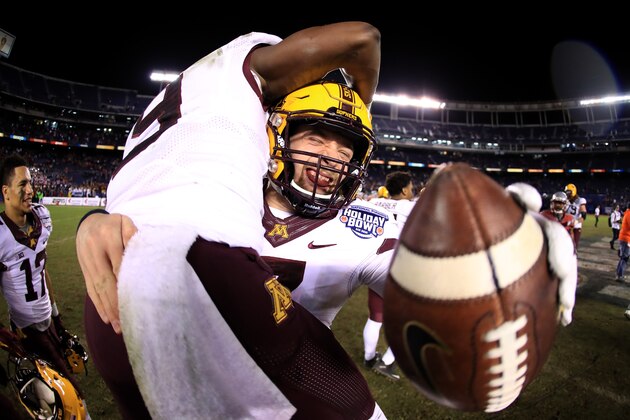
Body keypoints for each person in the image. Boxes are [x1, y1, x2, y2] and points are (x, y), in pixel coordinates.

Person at [75, 22, 385, 420]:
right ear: (276, 130)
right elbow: (363, 38)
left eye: (346, 149)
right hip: (202, 295)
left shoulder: (361, 224)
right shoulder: (245, 87)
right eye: (317, 138)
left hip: (131, 301)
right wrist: (97, 221)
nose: (331, 158)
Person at [0, 154, 86, 401]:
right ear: (6, 191)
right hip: (26, 330)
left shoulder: (42, 218)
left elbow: (42, 270)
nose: (30, 190)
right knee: (67, 395)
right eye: (22, 185)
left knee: (63, 389)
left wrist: (57, 318)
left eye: (30, 183)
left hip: (47, 319)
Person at [362, 170, 417, 380]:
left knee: (376, 316)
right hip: (402, 267)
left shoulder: (376, 202)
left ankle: (369, 358)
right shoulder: (410, 206)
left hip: (377, 262)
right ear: (404, 190)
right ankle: (386, 363)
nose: (412, 191)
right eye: (411, 188)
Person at [564, 183, 587, 250]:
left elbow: (584, 215)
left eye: (568, 192)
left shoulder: (580, 200)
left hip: (576, 227)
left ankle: (573, 257)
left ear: (573, 191)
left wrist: (575, 222)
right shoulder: (566, 201)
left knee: (574, 246)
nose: (567, 193)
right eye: (566, 192)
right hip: (567, 226)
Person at [616, 203, 629, 285]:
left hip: (624, 238)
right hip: (626, 238)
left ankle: (619, 274)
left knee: (623, 257)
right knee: (625, 257)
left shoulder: (627, 213)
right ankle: (619, 275)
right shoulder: (629, 214)